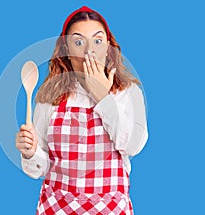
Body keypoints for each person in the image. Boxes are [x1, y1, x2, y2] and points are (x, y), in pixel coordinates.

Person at [16, 6, 148, 215]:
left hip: (110, 209)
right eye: (78, 42)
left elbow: (133, 146)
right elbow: (40, 168)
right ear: (64, 50)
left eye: (97, 40)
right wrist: (31, 153)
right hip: (57, 208)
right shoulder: (49, 95)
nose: (89, 50)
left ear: (108, 46)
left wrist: (103, 98)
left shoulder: (128, 92)